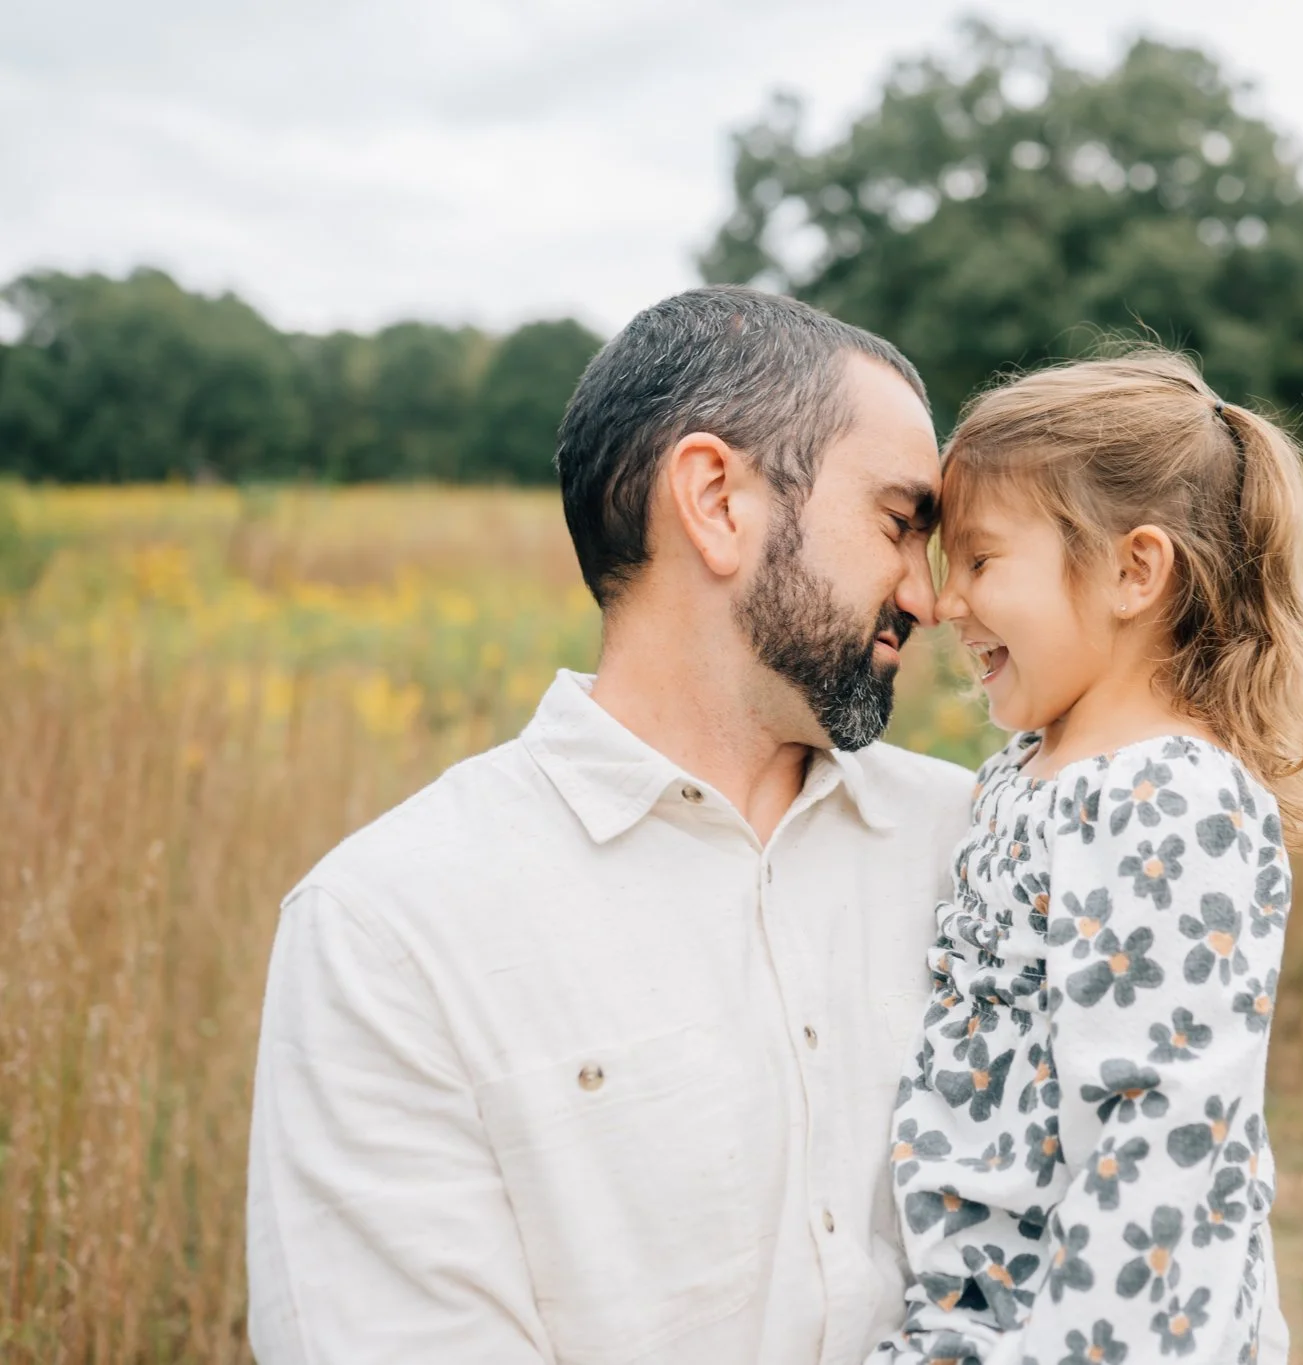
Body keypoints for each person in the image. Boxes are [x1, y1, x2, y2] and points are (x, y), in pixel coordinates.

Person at [245, 286, 975, 1364]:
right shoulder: (388, 929)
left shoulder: (979, 843)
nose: (931, 596)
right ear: (716, 501)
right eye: (899, 524)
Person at [869, 351, 1303, 1365]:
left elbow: (1160, 1152)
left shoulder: (1171, 798)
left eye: (981, 560)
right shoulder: (1025, 772)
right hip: (979, 1312)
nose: (947, 602)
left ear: (1134, 572)